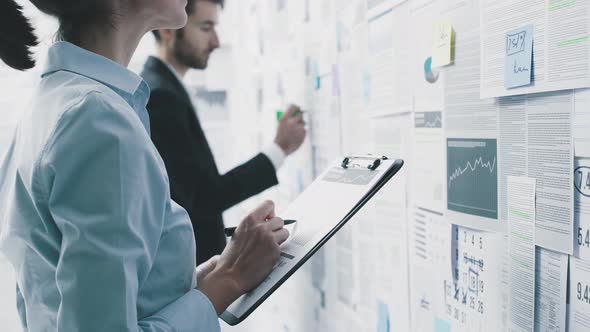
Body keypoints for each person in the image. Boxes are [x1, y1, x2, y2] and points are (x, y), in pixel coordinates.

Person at [0, 1, 289, 331]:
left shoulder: (57, 102)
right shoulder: (97, 121)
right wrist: (228, 280)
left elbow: (93, 302)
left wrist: (202, 281)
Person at [142, 0, 306, 265]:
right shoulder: (161, 95)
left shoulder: (165, 88)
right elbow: (203, 198)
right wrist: (279, 148)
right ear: (167, 29)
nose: (216, 42)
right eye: (206, 28)